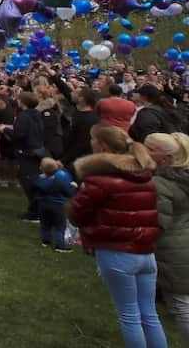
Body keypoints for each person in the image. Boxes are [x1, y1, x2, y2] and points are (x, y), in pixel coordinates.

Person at [71, 124, 167, 348]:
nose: (90, 143)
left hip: (117, 251)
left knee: (129, 314)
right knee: (149, 314)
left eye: (92, 139)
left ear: (102, 145)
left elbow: (78, 213)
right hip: (145, 252)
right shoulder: (145, 177)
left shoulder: (98, 180)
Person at [146, 132, 189, 347]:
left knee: (180, 305)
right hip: (182, 244)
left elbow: (157, 224)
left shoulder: (161, 183)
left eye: (151, 149)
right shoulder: (181, 179)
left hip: (174, 250)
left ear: (166, 157)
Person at [1, 91, 46, 222]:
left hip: (26, 151)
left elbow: (19, 134)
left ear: (23, 102)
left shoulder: (24, 116)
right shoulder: (37, 114)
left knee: (29, 182)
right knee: (33, 179)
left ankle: (35, 213)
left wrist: (5, 129)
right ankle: (36, 210)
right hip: (37, 150)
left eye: (19, 99)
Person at [32, 158, 77, 253]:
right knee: (60, 226)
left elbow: (35, 182)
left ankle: (45, 241)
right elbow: (68, 193)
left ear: (40, 168)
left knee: (45, 224)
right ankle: (59, 245)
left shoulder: (38, 180)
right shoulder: (58, 181)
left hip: (43, 205)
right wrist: (73, 186)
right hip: (57, 206)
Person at [62, 87, 100, 175]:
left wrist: (64, 160)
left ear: (81, 98)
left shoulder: (89, 119)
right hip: (69, 155)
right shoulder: (78, 111)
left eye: (74, 92)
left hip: (78, 159)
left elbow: (81, 144)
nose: (71, 93)